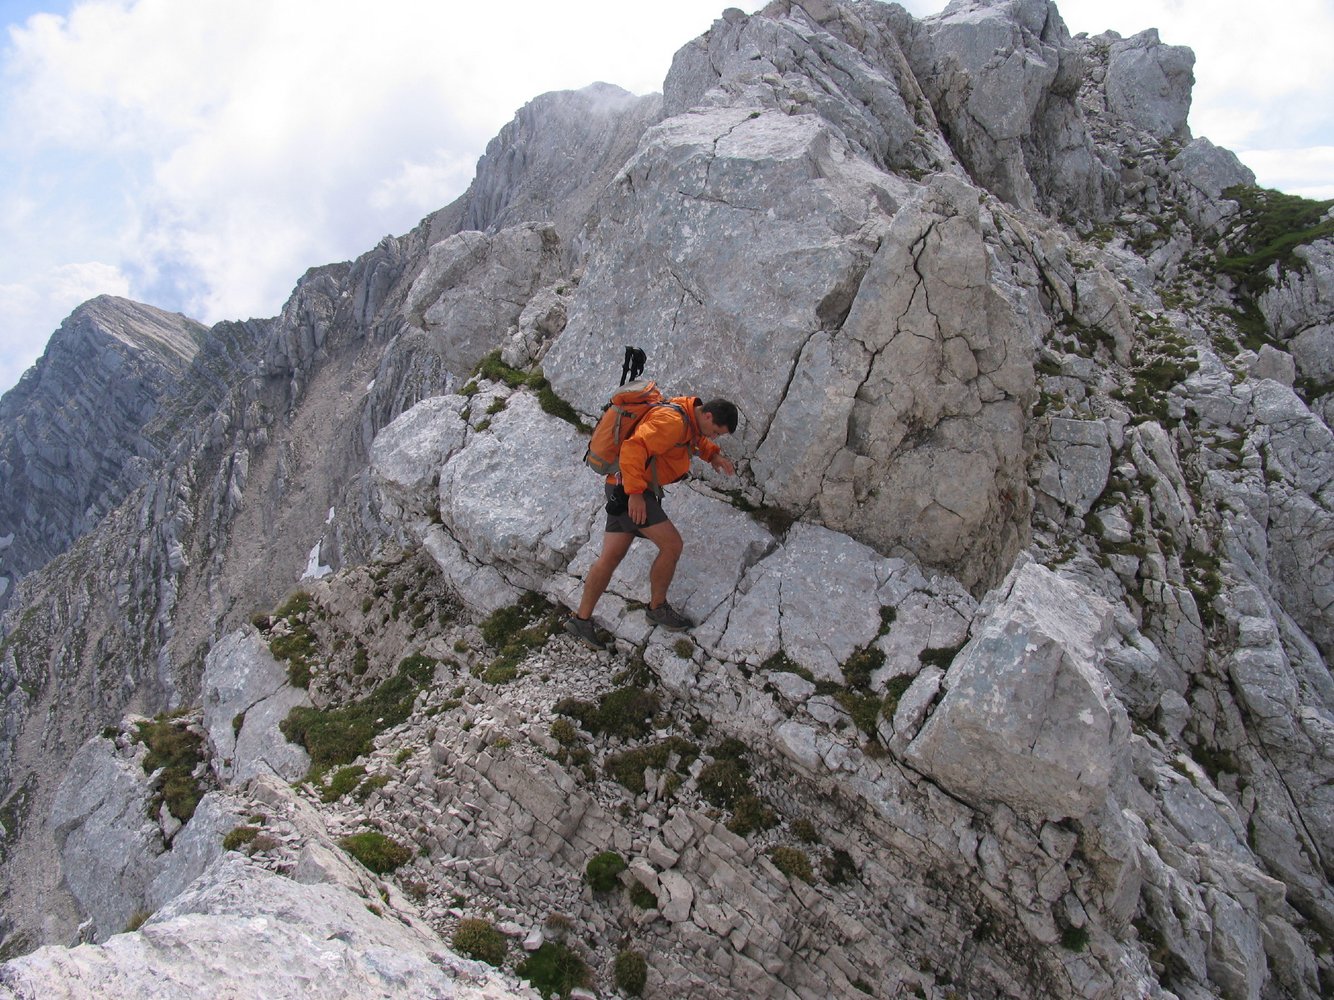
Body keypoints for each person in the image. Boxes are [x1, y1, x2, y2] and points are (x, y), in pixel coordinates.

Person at [565, 395, 738, 650]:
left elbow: (691, 440)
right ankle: (657, 608)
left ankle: (581, 621)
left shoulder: (687, 416)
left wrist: (712, 455)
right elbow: (633, 447)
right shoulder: (672, 421)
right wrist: (635, 494)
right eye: (716, 432)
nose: (714, 437)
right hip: (631, 491)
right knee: (672, 546)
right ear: (709, 416)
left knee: (610, 557)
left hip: (621, 486)